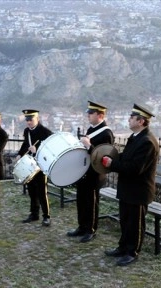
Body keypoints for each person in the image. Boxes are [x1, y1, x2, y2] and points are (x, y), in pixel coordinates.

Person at [101, 103, 159, 266]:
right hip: (128, 188)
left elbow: (135, 168)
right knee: (125, 220)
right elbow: (126, 157)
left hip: (138, 190)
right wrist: (110, 156)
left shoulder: (147, 141)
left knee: (135, 223)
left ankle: (132, 252)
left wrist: (112, 164)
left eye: (132, 117)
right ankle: (123, 247)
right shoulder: (136, 138)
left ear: (141, 121)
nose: (128, 119)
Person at [67, 101, 114, 243]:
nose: (88, 115)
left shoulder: (106, 133)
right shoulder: (91, 129)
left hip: (95, 173)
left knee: (92, 202)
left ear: (100, 115)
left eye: (91, 113)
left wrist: (89, 146)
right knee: (81, 200)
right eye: (88, 112)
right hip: (84, 171)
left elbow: (104, 157)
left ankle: (91, 230)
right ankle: (82, 226)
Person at [17, 109, 53, 226]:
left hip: (41, 165)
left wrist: (37, 150)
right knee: (31, 190)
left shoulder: (46, 132)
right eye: (27, 120)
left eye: (30, 120)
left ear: (37, 118)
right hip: (30, 165)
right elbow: (25, 144)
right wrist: (19, 154)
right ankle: (34, 214)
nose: (28, 122)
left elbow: (50, 150)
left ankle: (46, 216)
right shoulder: (27, 131)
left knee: (42, 192)